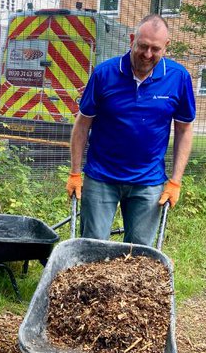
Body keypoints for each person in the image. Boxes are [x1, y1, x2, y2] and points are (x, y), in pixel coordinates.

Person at [67, 14, 195, 248]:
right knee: (92, 248)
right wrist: (75, 173)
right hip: (101, 177)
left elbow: (185, 130)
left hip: (148, 181)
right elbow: (82, 124)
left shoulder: (178, 78)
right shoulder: (105, 74)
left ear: (166, 47)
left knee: (140, 254)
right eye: (143, 46)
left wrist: (175, 181)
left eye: (155, 49)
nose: (147, 55)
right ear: (132, 39)